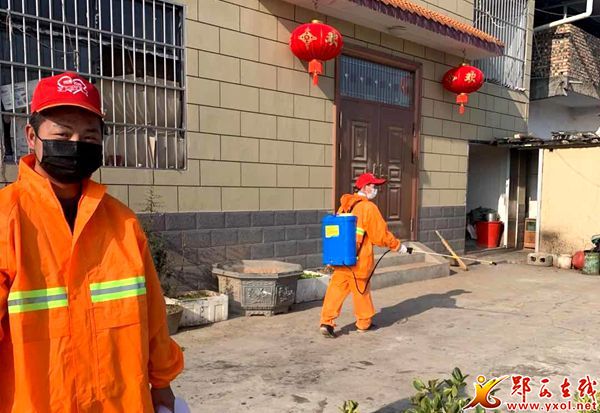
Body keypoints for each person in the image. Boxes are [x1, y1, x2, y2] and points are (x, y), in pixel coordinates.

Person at [0, 72, 183, 412]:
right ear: (31, 136)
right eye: (62, 134)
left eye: (89, 136)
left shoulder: (123, 223)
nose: (76, 144)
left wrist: (162, 384)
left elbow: (154, 318)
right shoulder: (6, 218)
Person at [319, 172, 409, 338]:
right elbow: (380, 235)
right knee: (361, 291)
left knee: (336, 290)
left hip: (341, 258)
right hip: (359, 260)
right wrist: (398, 246)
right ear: (365, 187)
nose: (376, 189)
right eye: (373, 186)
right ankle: (364, 323)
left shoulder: (345, 206)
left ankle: (326, 322)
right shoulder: (368, 208)